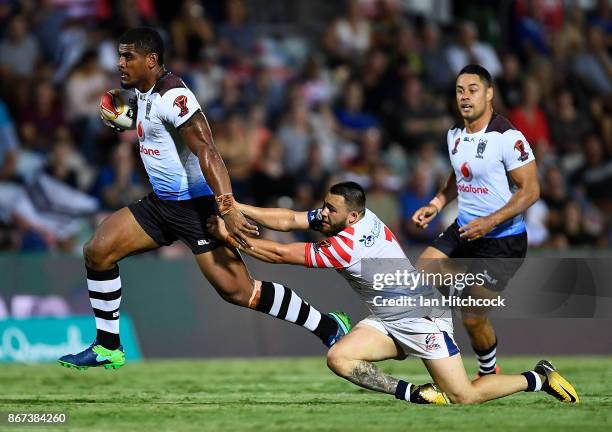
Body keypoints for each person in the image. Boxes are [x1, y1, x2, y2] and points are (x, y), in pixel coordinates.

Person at [58, 28, 350, 370]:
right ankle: (108, 346)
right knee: (98, 251)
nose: (120, 63)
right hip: (161, 204)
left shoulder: (174, 96)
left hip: (196, 208)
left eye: (128, 57)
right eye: (120, 55)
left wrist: (226, 206)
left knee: (240, 292)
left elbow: (206, 149)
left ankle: (328, 325)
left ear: (151, 60)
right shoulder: (145, 94)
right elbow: (159, 133)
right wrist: (130, 119)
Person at [206, 181, 578, 405]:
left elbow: (278, 253)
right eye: (324, 205)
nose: (322, 213)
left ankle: (538, 378)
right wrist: (236, 207)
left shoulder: (348, 245)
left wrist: (226, 234)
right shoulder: (355, 218)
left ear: (350, 217)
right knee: (339, 358)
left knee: (465, 395)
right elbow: (289, 220)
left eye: (329, 209)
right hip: (390, 317)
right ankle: (414, 394)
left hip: (421, 319)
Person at [411, 65, 540, 377]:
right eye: (460, 90)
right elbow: (460, 172)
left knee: (473, 318)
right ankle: (442, 334)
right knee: (421, 273)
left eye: (473, 89)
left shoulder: (507, 137)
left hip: (502, 241)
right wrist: (437, 202)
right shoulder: (455, 136)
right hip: (466, 229)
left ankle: (488, 371)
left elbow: (531, 190)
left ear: (489, 93)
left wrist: (491, 222)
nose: (465, 96)